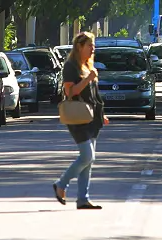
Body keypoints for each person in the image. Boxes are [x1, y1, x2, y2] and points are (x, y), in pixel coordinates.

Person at [52, 31, 108, 210]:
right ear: (79, 46)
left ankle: (83, 198)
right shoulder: (71, 67)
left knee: (89, 160)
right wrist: (89, 78)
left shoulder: (87, 66)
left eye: (93, 46)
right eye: (90, 45)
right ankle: (61, 184)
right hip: (77, 116)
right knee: (87, 156)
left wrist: (102, 114)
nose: (93, 49)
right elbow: (70, 92)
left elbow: (93, 95)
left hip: (92, 117)